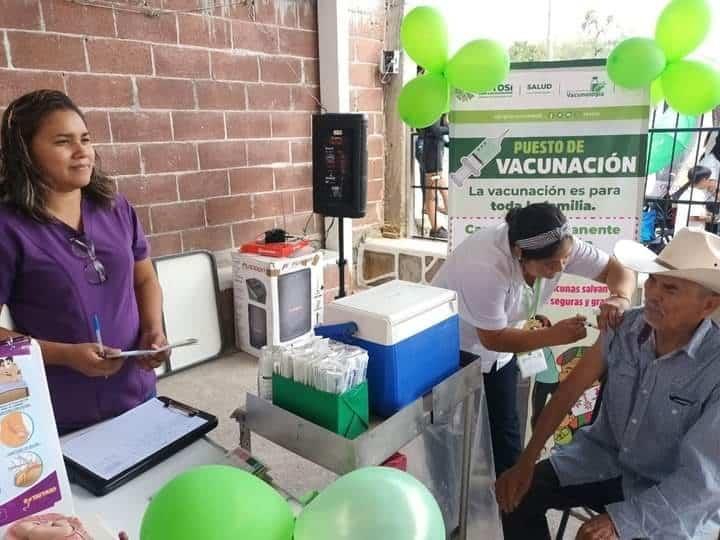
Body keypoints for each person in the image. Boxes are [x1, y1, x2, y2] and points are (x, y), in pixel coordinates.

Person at [497, 228, 720, 540]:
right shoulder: (625, 327)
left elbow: (702, 482)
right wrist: (526, 462)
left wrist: (621, 522)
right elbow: (567, 393)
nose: (653, 293)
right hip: (602, 461)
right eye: (653, 280)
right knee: (514, 495)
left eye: (670, 288)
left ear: (708, 306)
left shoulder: (715, 368)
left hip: (670, 493)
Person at [0, 90, 169, 434]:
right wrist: (66, 355)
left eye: (86, 139)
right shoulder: (9, 228)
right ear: (26, 155)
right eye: (64, 142)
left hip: (137, 391)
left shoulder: (115, 207)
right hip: (66, 409)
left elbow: (144, 279)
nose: (82, 153)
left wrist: (153, 329)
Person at [431, 202, 635, 476]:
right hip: (452, 348)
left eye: (565, 259)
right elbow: (493, 338)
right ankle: (445, 499)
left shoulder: (559, 246)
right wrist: (553, 335)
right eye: (551, 264)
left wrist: (619, 298)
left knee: (506, 436)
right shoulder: (485, 265)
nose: (560, 267)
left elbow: (619, 271)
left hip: (499, 355)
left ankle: (508, 502)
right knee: (449, 435)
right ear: (519, 253)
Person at [418, 114, 449, 238]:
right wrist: (453, 128)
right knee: (432, 192)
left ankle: (438, 226)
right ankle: (435, 228)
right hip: (432, 152)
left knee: (439, 187)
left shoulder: (437, 109)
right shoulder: (433, 109)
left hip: (434, 151)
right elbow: (435, 130)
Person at [673, 165, 717, 232]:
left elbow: (696, 211)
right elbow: (695, 217)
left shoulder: (688, 192)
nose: (709, 182)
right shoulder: (697, 195)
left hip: (682, 232)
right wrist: (713, 219)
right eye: (709, 179)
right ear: (704, 180)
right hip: (691, 234)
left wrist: (709, 214)